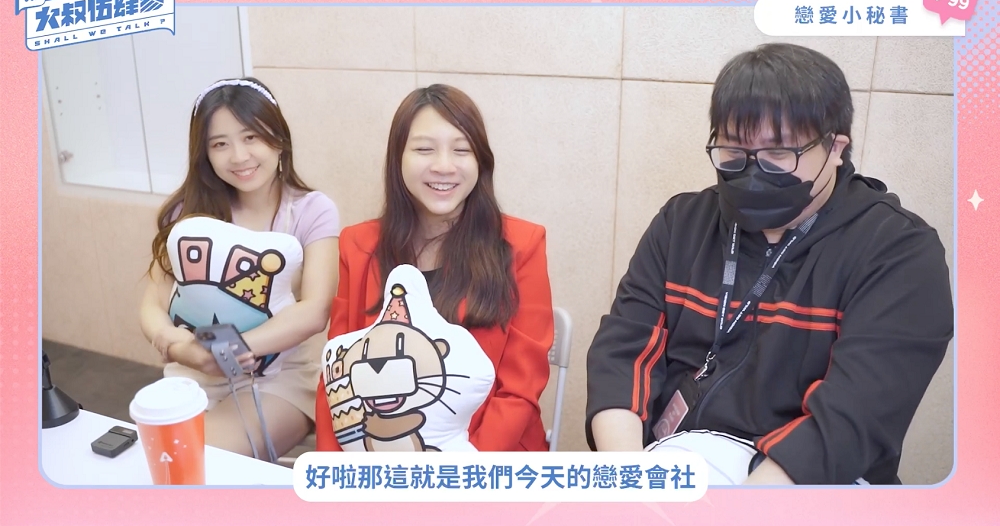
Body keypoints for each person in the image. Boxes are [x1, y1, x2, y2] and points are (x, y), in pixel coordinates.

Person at [585, 43, 953, 484]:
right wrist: (629, 480)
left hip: (809, 487)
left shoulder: (898, 251)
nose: (753, 172)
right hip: (673, 466)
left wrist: (737, 509)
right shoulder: (682, 223)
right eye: (734, 152)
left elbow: (853, 418)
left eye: (779, 155)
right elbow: (622, 353)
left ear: (835, 147)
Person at [314, 84, 554, 451]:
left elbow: (520, 389)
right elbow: (336, 377)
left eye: (462, 150)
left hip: (487, 461)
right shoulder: (358, 245)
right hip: (379, 461)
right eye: (424, 149)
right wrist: (336, 470)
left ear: (481, 161)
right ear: (398, 157)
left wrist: (458, 470)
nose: (444, 166)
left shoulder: (522, 244)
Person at [140, 77, 340, 459]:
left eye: (251, 137)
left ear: (278, 139)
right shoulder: (188, 213)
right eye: (220, 144)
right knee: (155, 460)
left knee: (197, 459)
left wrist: (231, 351)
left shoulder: (313, 211)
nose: (239, 156)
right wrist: (178, 347)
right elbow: (153, 303)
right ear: (205, 154)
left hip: (280, 378)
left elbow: (315, 311)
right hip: (193, 370)